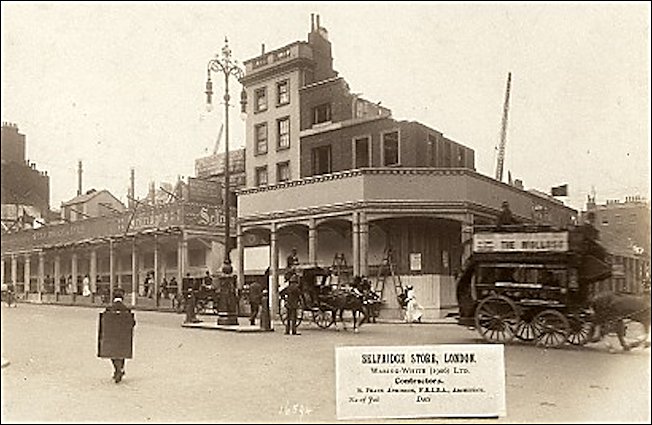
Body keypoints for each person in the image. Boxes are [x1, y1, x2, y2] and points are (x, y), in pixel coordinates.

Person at [100, 288, 136, 383]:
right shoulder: (127, 309)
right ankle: (120, 369)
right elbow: (132, 323)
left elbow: (103, 322)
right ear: (122, 298)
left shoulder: (109, 309)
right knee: (122, 353)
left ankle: (117, 369)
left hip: (112, 336)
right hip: (123, 336)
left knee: (113, 353)